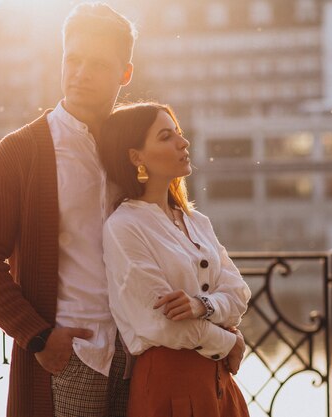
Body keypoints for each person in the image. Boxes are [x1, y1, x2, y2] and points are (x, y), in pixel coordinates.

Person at [0, 3, 136, 416]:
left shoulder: (132, 151)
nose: (80, 73)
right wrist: (37, 337)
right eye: (72, 59)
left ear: (125, 74)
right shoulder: (19, 153)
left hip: (137, 356)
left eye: (97, 63)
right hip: (71, 357)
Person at [98, 102, 252, 417]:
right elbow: (160, 326)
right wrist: (229, 343)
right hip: (171, 386)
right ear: (135, 157)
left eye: (178, 133)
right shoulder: (124, 226)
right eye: (166, 136)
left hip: (220, 384)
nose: (183, 143)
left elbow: (239, 295)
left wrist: (202, 306)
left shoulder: (197, 221)